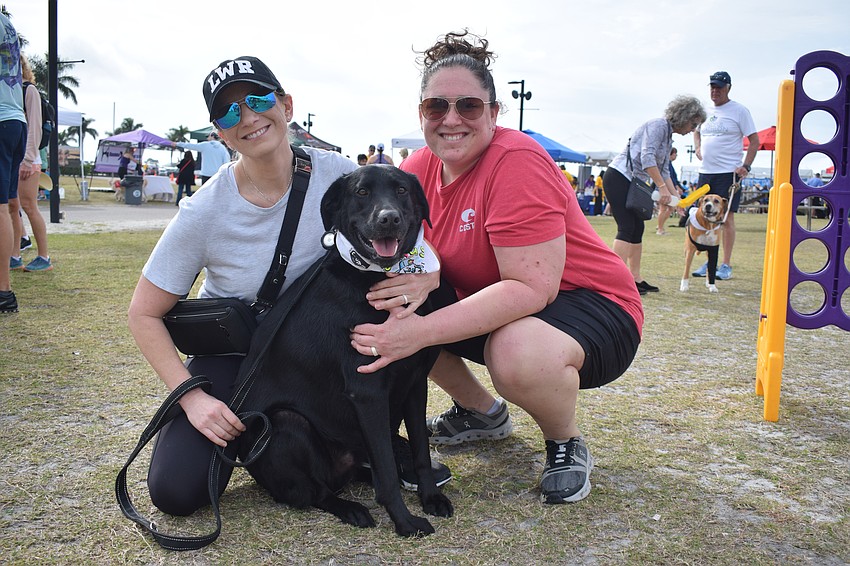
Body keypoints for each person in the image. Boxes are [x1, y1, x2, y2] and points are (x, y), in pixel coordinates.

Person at [127, 55, 448, 517]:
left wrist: (428, 274)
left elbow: (401, 221)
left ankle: (367, 453)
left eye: (259, 99)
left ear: (287, 105)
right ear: (219, 131)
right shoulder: (203, 212)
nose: (250, 117)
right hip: (239, 355)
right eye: (230, 112)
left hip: (312, 354)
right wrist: (192, 398)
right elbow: (143, 313)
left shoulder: (339, 174)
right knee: (175, 493)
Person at [350, 30, 645, 505]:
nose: (451, 120)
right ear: (421, 112)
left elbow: (532, 287)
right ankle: (481, 413)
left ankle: (565, 439)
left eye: (468, 106)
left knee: (513, 351)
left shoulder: (517, 160)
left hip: (593, 304)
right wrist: (426, 274)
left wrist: (418, 333)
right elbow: (416, 248)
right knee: (395, 300)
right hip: (504, 299)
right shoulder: (418, 167)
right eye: (435, 108)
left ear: (493, 112)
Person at [603, 95, 706, 294]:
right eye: (693, 124)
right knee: (626, 226)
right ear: (684, 116)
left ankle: (634, 278)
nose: (693, 129)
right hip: (618, 176)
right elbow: (647, 157)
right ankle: (614, 281)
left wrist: (676, 197)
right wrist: (662, 187)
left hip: (634, 181)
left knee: (637, 228)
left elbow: (664, 169)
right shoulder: (658, 126)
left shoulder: (668, 136)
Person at [692, 71, 759, 281]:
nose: (715, 91)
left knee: (726, 218)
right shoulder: (704, 110)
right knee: (703, 217)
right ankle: (709, 260)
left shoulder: (739, 111)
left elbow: (754, 140)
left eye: (719, 87)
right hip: (706, 172)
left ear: (728, 88)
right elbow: (696, 131)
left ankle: (725, 264)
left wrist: (746, 166)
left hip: (727, 174)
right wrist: (698, 147)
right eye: (712, 86)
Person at [9, 54, 51, 272]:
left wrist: (28, 159)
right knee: (12, 207)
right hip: (14, 157)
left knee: (28, 206)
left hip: (28, 159)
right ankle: (14, 255)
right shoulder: (10, 91)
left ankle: (44, 257)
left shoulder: (29, 90)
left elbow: (34, 126)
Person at [1, 12, 26, 313]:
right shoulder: (8, 23)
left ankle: (3, 291)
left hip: (3, 119)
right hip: (13, 121)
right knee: (9, 203)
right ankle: (4, 289)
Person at [655, 146, 684, 235]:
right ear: (671, 154)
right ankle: (660, 229)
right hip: (663, 188)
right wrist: (676, 187)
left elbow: (673, 178)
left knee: (670, 208)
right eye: (675, 154)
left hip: (668, 189)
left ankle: (660, 225)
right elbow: (669, 178)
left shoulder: (669, 164)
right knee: (663, 208)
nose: (676, 156)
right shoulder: (666, 164)